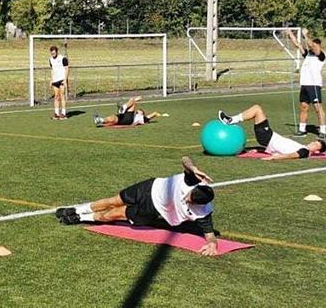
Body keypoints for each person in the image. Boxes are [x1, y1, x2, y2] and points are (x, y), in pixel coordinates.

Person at [55, 156, 218, 256]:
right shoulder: (193, 180)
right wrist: (193, 168)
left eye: (190, 201)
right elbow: (185, 158)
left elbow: (209, 233)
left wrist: (212, 243)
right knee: (113, 201)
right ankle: (77, 209)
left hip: (152, 209)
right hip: (149, 187)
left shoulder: (203, 212)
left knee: (113, 215)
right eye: (189, 195)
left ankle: (81, 218)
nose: (186, 199)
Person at [218, 105, 326, 160]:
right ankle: (232, 120)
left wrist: (275, 157)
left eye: (316, 145)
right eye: (315, 142)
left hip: (268, 137)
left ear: (317, 151)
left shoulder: (305, 151)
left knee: (257, 109)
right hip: (268, 138)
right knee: (257, 109)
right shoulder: (302, 147)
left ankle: (230, 120)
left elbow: (292, 155)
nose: (313, 143)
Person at [287, 29, 326, 138]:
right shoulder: (308, 54)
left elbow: (313, 46)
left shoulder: (321, 56)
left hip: (314, 85)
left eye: (315, 44)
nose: (313, 46)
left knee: (318, 108)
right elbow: (297, 45)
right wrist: (290, 34)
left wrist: (306, 35)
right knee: (304, 107)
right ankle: (302, 130)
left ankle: (323, 130)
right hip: (304, 85)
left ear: (318, 45)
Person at [93, 96, 160, 127]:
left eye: (140, 111)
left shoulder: (142, 118)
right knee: (113, 118)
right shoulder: (135, 113)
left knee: (132, 100)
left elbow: (152, 115)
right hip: (125, 116)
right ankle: (100, 120)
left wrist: (156, 114)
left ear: (142, 114)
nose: (138, 111)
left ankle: (123, 107)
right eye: (138, 110)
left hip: (130, 119)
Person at [48, 46, 69, 120]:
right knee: (56, 96)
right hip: (55, 80)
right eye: (51, 53)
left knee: (62, 95)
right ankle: (56, 113)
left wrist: (65, 80)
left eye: (54, 52)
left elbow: (66, 69)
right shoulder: (50, 59)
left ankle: (63, 113)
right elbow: (52, 70)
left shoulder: (63, 58)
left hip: (62, 79)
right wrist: (51, 79)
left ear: (56, 52)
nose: (53, 54)